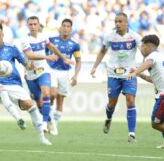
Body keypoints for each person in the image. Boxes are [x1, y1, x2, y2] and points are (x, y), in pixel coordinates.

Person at [0, 22, 52, 145]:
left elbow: (25, 64)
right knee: (2, 91)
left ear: (3, 34)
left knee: (32, 107)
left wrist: (30, 65)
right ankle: (18, 118)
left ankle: (42, 138)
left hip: (13, 84)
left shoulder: (11, 48)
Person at [90, 12, 141, 143]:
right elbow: (102, 51)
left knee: (130, 100)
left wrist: (141, 68)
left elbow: (144, 51)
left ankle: (132, 133)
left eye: (120, 21)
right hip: (113, 74)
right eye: (116, 21)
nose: (117, 24)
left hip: (129, 74)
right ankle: (108, 118)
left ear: (126, 23)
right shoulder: (109, 37)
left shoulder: (134, 37)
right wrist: (95, 66)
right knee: (112, 103)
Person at [21, 16, 73, 135]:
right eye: (31, 24)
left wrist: (63, 58)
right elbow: (30, 56)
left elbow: (52, 47)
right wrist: (47, 57)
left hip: (43, 71)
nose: (33, 26)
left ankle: (44, 124)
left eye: (35, 24)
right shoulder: (24, 40)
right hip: (30, 75)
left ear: (39, 25)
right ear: (28, 26)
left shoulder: (43, 37)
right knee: (39, 103)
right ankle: (50, 121)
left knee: (47, 93)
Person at [127, 34, 164, 149]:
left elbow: (148, 63)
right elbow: (153, 79)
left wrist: (135, 72)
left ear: (148, 46)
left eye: (142, 46)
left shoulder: (152, 57)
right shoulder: (159, 56)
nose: (141, 49)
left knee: (156, 123)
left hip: (163, 96)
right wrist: (140, 74)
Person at [46, 18, 81, 129]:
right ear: (60, 28)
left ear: (71, 29)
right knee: (52, 94)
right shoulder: (52, 40)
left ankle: (54, 124)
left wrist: (75, 76)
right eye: (64, 26)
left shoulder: (75, 44)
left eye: (68, 26)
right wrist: (48, 59)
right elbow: (45, 54)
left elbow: (78, 61)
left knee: (60, 101)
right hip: (52, 71)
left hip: (65, 73)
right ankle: (48, 118)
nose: (65, 28)